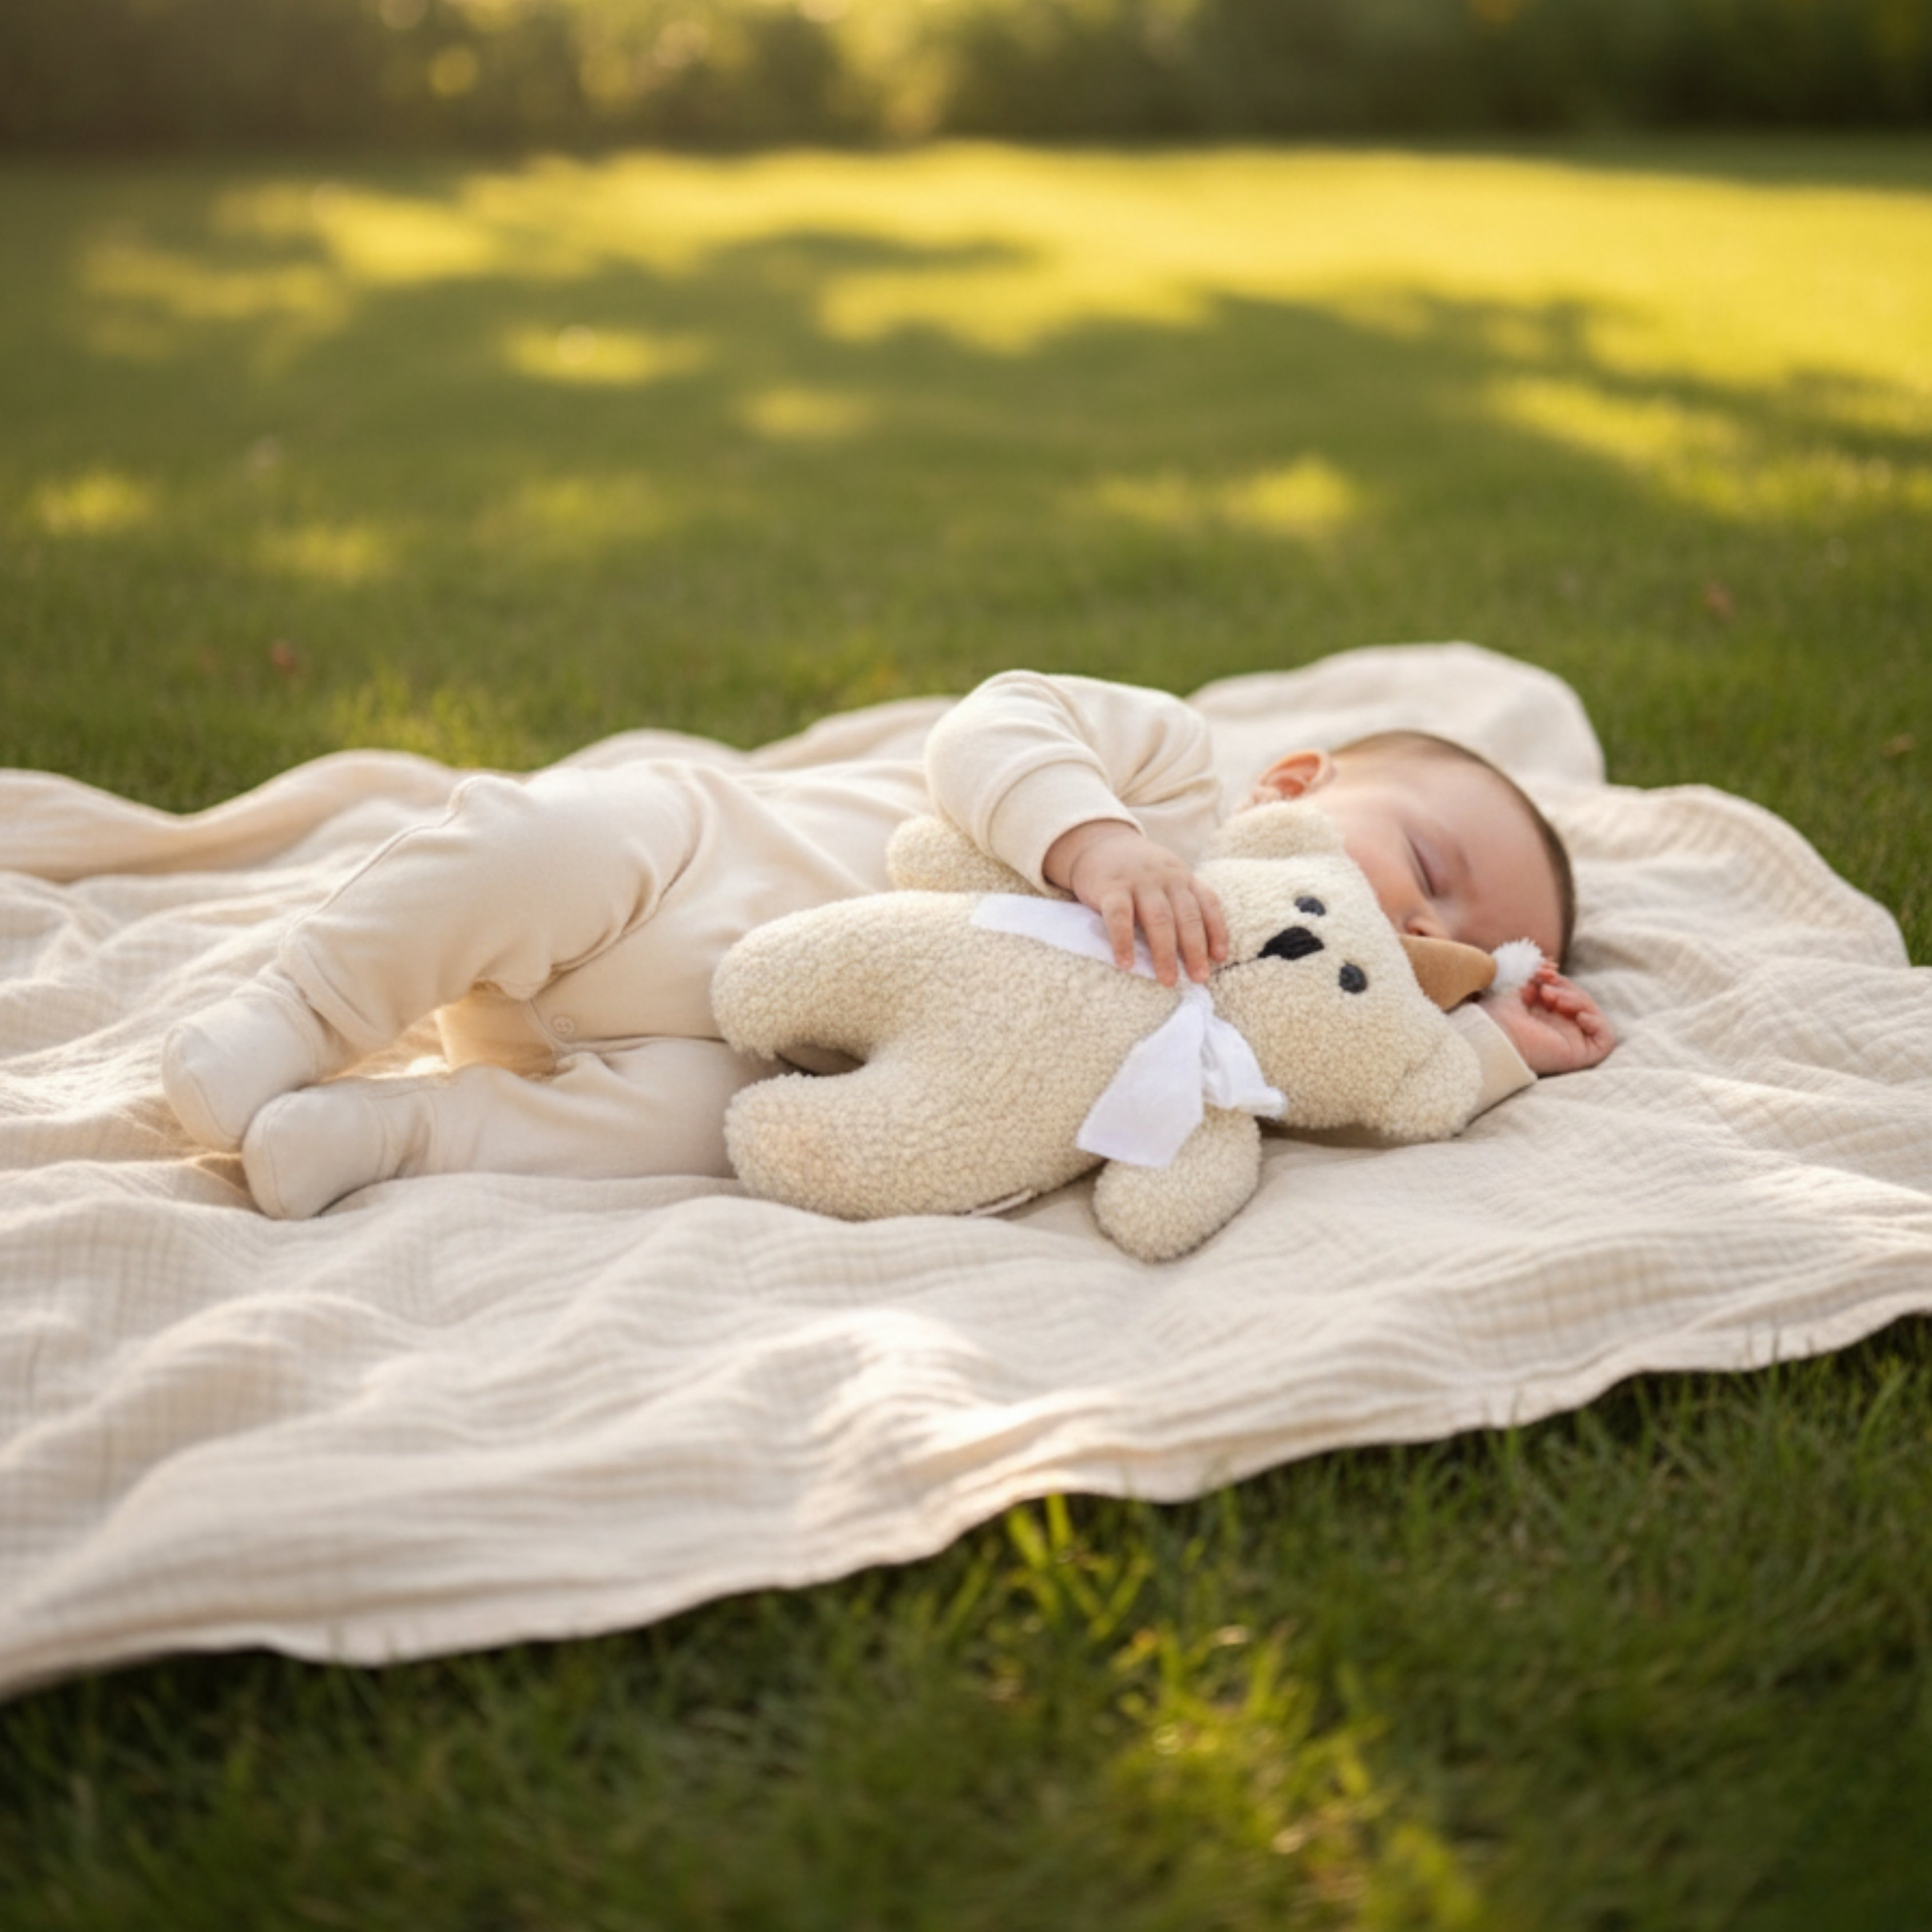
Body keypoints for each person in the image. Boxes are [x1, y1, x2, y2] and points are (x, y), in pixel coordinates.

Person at [161, 671, 1615, 1218]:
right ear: (1295, 781)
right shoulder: (1167, 778)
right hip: (681, 874)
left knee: (705, 1135)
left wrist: (1498, 1039)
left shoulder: (1256, 1026)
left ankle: (398, 1134)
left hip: (735, 1046)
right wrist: (1092, 841)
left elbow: (1369, 1083)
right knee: (533, 845)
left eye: (1459, 946)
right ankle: (302, 1010)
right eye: (1429, 870)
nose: (1418, 930)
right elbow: (991, 721)